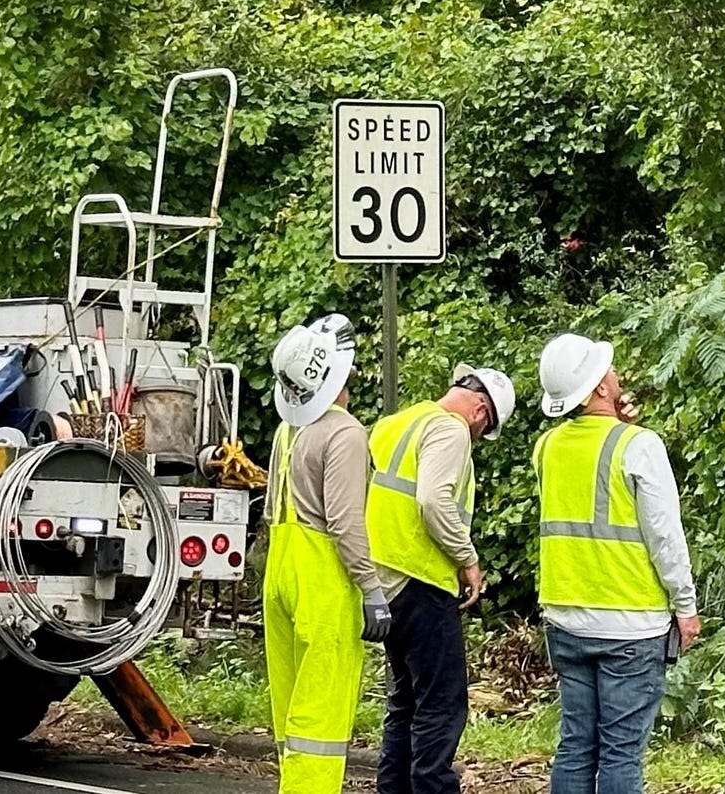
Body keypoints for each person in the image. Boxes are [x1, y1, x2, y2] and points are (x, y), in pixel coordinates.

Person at [532, 333, 698, 794]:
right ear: (599, 388)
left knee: (575, 746)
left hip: (565, 617)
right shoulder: (639, 446)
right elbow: (664, 534)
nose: (615, 372)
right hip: (630, 623)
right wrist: (685, 605)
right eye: (608, 369)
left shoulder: (547, 447)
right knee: (621, 752)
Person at [364, 364, 518, 794]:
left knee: (405, 701)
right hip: (422, 581)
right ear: (481, 412)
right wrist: (467, 559)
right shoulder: (450, 431)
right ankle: (433, 788)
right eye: (484, 430)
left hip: (382, 581)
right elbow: (433, 501)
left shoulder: (398, 422)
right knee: (442, 703)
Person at [265, 315, 386, 794]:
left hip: (281, 569)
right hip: (322, 580)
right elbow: (345, 522)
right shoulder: (346, 433)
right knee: (321, 716)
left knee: (290, 710)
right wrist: (372, 590)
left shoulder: (287, 431)